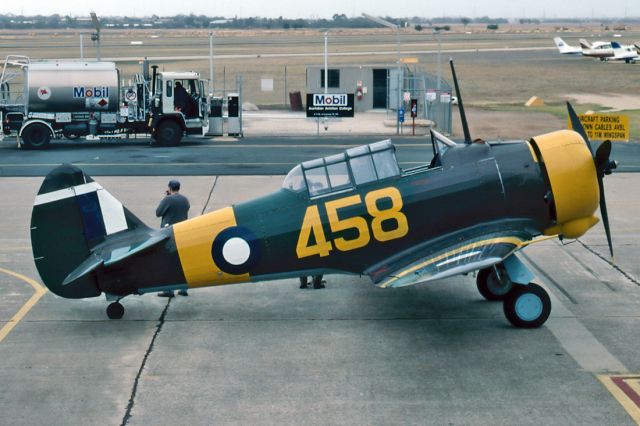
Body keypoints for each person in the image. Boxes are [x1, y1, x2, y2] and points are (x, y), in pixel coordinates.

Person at [156, 179, 190, 297]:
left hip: (169, 233)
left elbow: (158, 213)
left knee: (169, 263)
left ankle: (168, 290)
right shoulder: (185, 200)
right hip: (183, 232)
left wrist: (165, 198)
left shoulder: (168, 199)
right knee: (182, 262)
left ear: (169, 188)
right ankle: (183, 289)